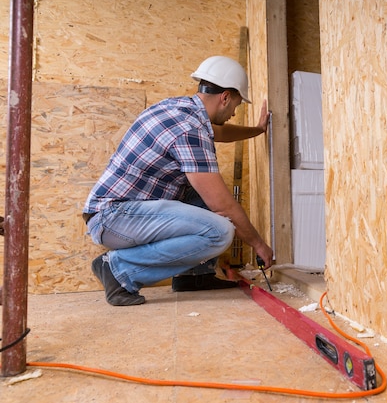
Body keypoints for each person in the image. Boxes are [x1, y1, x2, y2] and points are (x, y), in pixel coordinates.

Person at [83, 56, 274, 306]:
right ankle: (118, 270)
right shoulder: (189, 129)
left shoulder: (180, 109)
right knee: (220, 230)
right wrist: (259, 244)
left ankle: (194, 277)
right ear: (225, 97)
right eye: (235, 105)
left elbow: (222, 132)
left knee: (200, 199)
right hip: (114, 217)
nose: (234, 113)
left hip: (117, 212)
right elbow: (222, 206)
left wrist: (258, 130)